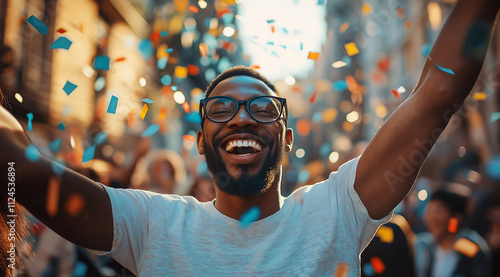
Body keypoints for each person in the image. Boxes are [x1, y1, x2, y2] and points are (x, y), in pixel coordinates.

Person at [0, 0, 499, 275]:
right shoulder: (152, 224)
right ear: (200, 141)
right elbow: (23, 169)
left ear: (284, 135)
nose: (241, 118)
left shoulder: (335, 212)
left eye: (263, 107)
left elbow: (436, 93)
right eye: (221, 108)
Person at [414, 188, 491, 277]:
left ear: (456, 217)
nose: (431, 217)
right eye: (429, 211)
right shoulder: (422, 246)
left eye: (438, 211)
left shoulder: (472, 248)